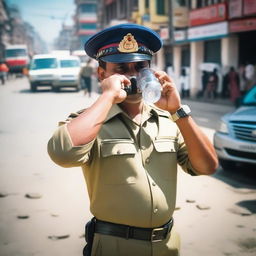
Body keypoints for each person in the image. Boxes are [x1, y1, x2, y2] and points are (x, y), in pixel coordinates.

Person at [47, 24, 218, 256]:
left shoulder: (169, 118)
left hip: (167, 245)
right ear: (102, 74)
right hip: (113, 246)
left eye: (140, 67)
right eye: (120, 69)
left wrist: (178, 111)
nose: (132, 76)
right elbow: (63, 154)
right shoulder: (89, 122)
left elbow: (207, 166)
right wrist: (108, 96)